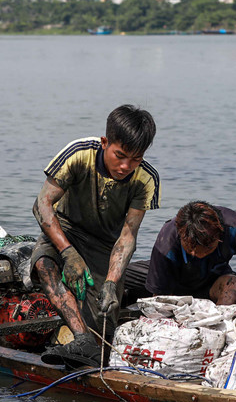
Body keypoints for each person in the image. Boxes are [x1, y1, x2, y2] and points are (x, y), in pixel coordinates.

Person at [31, 104, 159, 368]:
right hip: (64, 229)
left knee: (104, 319)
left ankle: (91, 344)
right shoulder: (78, 154)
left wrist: (112, 281)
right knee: (45, 265)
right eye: (120, 155)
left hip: (105, 243)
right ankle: (80, 339)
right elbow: (42, 206)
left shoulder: (146, 180)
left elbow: (127, 235)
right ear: (104, 143)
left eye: (135, 159)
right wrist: (67, 252)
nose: (125, 166)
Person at [138, 201, 236, 305]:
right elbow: (160, 296)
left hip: (213, 282)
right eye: (190, 248)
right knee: (121, 276)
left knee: (234, 286)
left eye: (206, 249)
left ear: (218, 237)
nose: (197, 254)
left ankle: (220, 319)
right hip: (173, 283)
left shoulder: (232, 225)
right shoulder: (167, 241)